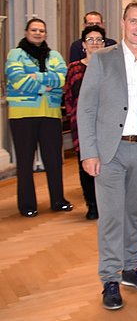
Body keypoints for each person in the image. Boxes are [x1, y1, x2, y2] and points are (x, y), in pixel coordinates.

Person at [77, 2, 137, 310]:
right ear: (123, 23)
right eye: (133, 21)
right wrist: (89, 151)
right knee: (110, 217)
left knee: (134, 213)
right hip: (110, 152)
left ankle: (131, 268)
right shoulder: (102, 60)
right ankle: (109, 278)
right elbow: (87, 108)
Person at [6, 18, 70, 217]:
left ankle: (58, 200)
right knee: (25, 162)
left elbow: (62, 78)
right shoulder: (15, 54)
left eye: (42, 30)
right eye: (34, 30)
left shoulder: (55, 55)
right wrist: (45, 85)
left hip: (50, 113)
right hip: (23, 115)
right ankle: (27, 205)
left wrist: (36, 77)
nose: (38, 33)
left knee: (54, 160)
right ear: (26, 32)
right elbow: (17, 79)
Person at [64, 25, 107, 220]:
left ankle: (105, 203)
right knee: (87, 163)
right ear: (83, 44)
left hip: (106, 125)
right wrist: (77, 121)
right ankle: (91, 204)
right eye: (91, 39)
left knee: (106, 164)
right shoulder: (74, 68)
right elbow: (69, 97)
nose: (95, 43)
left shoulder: (110, 67)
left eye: (99, 40)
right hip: (82, 123)